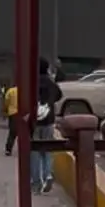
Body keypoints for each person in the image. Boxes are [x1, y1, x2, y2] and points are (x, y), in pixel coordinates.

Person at [33, 58, 61, 194]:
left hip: (35, 121)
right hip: (49, 119)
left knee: (35, 151)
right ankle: (48, 174)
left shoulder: (32, 82)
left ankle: (36, 181)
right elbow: (59, 95)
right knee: (47, 150)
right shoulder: (51, 83)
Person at [4, 81, 19, 156]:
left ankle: (8, 149)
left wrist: (5, 110)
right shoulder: (26, 91)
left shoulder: (11, 91)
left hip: (13, 113)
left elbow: (6, 101)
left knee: (12, 133)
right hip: (23, 114)